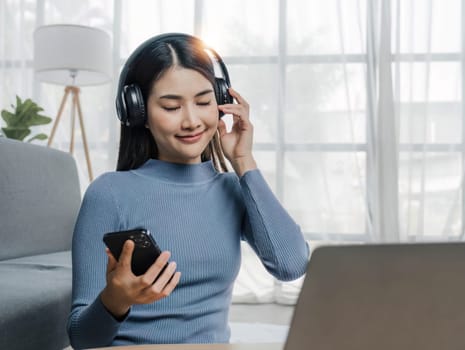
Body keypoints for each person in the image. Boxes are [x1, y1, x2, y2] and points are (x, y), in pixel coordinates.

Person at [67, 33, 309, 349]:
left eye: (204, 102)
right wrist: (114, 301)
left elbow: (291, 265)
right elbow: (82, 338)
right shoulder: (108, 194)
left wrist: (243, 161)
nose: (192, 121)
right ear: (138, 113)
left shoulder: (232, 190)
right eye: (171, 106)